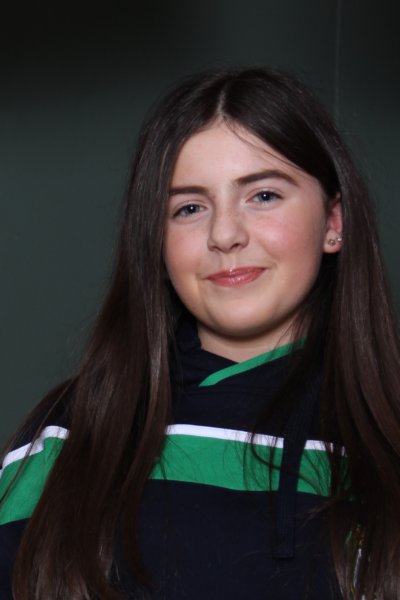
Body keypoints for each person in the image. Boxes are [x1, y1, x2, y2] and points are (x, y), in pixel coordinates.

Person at [1, 67, 400, 600]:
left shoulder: (387, 439)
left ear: (334, 222)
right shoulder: (69, 436)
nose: (225, 234)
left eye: (263, 195)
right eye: (189, 208)